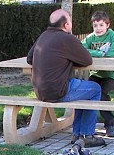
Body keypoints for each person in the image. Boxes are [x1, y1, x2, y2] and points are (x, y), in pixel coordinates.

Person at [27, 9, 106, 147]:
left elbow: (29, 58)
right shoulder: (67, 38)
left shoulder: (43, 36)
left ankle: (77, 134)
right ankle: (87, 135)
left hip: (40, 92)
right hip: (58, 91)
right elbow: (87, 60)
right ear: (65, 25)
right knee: (95, 89)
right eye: (70, 21)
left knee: (84, 91)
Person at [81, 10, 114, 137]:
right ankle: (87, 127)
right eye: (95, 25)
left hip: (112, 74)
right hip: (96, 74)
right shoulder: (90, 38)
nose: (98, 28)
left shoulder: (112, 36)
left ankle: (110, 124)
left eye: (101, 25)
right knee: (86, 91)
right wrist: (99, 53)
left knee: (101, 93)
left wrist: (92, 53)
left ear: (107, 25)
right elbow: (81, 49)